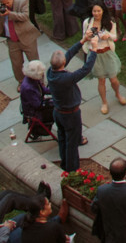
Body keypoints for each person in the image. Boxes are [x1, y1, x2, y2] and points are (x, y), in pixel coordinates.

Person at [46, 43, 99, 171]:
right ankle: (72, 169)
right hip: (70, 115)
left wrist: (82, 42)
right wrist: (94, 51)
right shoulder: (67, 78)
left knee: (62, 138)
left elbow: (67, 56)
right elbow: (85, 69)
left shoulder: (50, 73)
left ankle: (64, 163)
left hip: (58, 112)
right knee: (72, 143)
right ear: (63, 63)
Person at [84, 4, 126, 114]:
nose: (96, 13)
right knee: (101, 80)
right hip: (95, 54)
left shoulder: (109, 22)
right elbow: (85, 38)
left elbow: (115, 37)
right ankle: (104, 102)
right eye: (94, 11)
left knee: (114, 79)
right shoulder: (88, 22)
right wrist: (88, 36)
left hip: (107, 52)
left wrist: (107, 35)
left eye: (98, 11)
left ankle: (117, 94)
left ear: (103, 11)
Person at [0, 0, 41, 76]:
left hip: (27, 37)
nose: (6, 5)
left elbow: (25, 16)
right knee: (16, 64)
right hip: (12, 40)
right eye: (4, 3)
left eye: (8, 2)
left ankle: (39, 81)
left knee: (34, 62)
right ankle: (21, 81)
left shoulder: (23, 1)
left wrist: (10, 13)